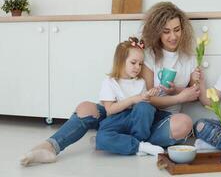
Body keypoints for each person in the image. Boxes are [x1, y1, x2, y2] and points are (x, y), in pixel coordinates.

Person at [21, 37, 163, 166]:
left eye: (140, 64)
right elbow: (110, 110)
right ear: (120, 61)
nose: (138, 67)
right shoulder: (110, 82)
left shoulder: (140, 82)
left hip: (135, 120)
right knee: (101, 139)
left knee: (145, 107)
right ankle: (139, 146)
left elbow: (143, 112)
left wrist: (147, 96)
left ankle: (138, 142)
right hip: (116, 118)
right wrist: (134, 99)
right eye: (133, 63)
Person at [141, 1, 200, 147]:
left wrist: (183, 88)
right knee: (144, 109)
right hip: (146, 115)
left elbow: (194, 95)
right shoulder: (148, 56)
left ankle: (137, 142)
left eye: (177, 29)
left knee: (185, 123)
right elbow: (148, 99)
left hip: (169, 118)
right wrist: (179, 97)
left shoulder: (189, 58)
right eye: (166, 31)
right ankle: (142, 141)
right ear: (156, 32)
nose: (173, 36)